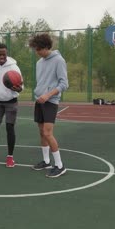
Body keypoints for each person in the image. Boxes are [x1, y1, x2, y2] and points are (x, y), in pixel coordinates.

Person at [28, 33, 69, 178]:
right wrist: (39, 95)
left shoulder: (59, 60)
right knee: (41, 132)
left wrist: (48, 95)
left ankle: (60, 165)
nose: (37, 52)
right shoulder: (39, 63)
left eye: (38, 49)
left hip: (50, 101)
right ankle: (46, 161)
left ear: (46, 47)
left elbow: (64, 84)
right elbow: (42, 82)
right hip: (39, 101)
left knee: (47, 133)